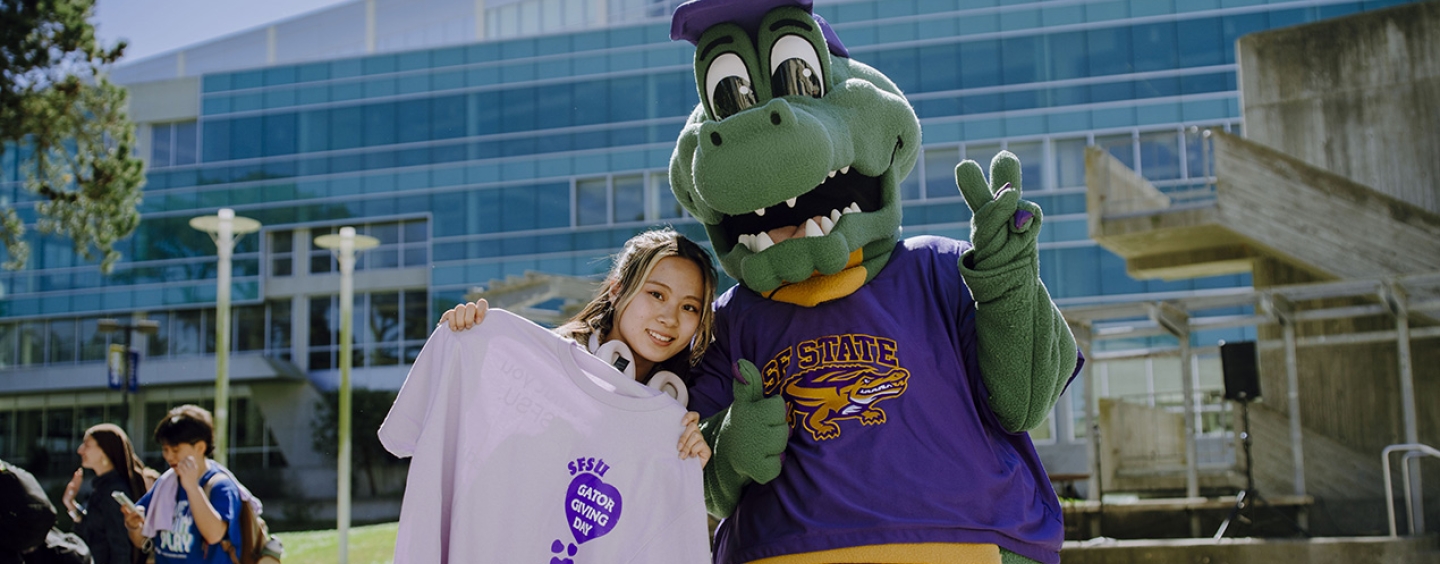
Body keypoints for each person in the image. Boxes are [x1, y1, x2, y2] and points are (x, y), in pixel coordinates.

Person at [441, 227, 717, 466]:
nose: (670, 318)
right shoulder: (546, 364)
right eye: (657, 294)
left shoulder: (680, 409)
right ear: (616, 291)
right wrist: (463, 345)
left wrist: (689, 471)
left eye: (689, 307)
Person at [120, 405, 243, 564]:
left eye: (176, 450)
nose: (169, 456)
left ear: (200, 447)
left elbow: (214, 535)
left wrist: (192, 487)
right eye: (165, 449)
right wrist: (134, 526)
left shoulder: (220, 485)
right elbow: (142, 542)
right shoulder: (165, 483)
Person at [61, 424, 150, 564]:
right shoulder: (103, 487)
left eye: (87, 445)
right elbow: (94, 531)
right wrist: (70, 504)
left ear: (105, 450)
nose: (80, 450)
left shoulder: (113, 490)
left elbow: (120, 547)